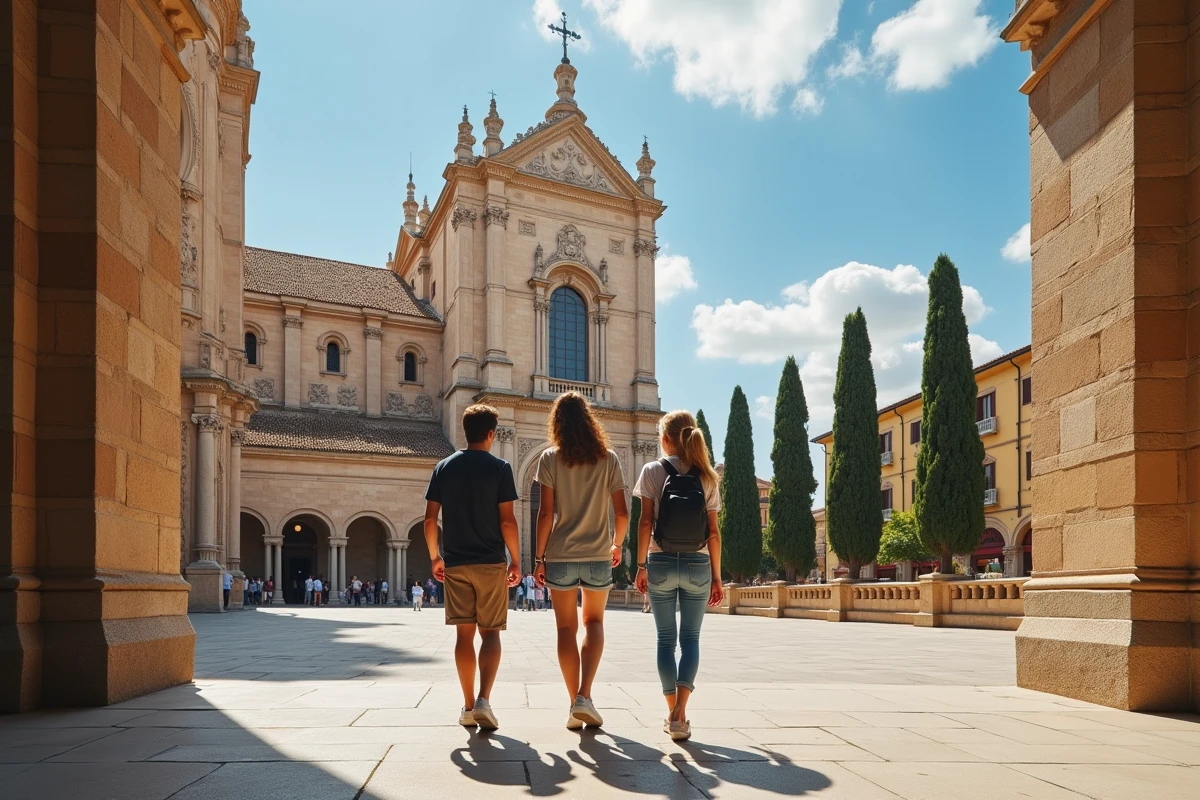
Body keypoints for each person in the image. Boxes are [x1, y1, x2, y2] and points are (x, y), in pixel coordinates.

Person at [533, 392, 628, 730]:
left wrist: (538, 557)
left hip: (559, 554)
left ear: (556, 424)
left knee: (564, 628)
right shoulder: (609, 459)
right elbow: (622, 512)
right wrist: (617, 545)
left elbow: (545, 514)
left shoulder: (549, 458)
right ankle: (585, 695)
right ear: (589, 420)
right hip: (598, 554)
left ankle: (574, 700)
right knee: (594, 623)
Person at [424, 404, 521, 731]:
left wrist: (436, 557)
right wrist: (517, 560)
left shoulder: (443, 467)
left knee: (463, 636)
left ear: (465, 431)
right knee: (490, 633)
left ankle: (466, 706)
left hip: (456, 563)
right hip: (491, 562)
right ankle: (483, 700)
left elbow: (429, 519)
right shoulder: (501, 468)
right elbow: (508, 521)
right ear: (491, 434)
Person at [633, 410, 724, 742]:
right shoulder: (707, 477)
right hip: (698, 565)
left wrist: (641, 566)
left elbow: (644, 523)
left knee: (665, 642)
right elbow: (714, 533)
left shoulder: (652, 470)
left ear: (666, 438)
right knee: (691, 641)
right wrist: (717, 576)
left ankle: (673, 713)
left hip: (660, 562)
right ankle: (680, 714)